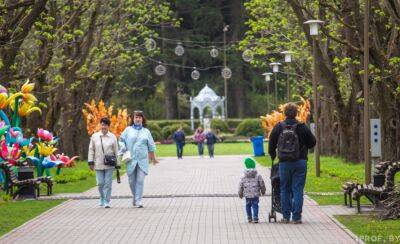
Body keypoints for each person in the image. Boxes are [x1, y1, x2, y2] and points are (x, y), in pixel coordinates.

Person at [268, 103, 316, 224]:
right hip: (300, 161)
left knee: (285, 189)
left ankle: (285, 217)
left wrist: (273, 155)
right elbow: (312, 142)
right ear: (296, 113)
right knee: (298, 189)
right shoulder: (302, 127)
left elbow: (271, 143)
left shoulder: (279, 127)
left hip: (284, 163)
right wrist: (304, 147)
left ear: (284, 113)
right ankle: (296, 217)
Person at [119, 110, 159, 208]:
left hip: (142, 160)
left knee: (140, 180)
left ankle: (138, 200)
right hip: (131, 159)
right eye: (136, 117)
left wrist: (153, 158)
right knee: (132, 181)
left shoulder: (146, 131)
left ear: (142, 119)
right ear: (133, 119)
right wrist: (123, 147)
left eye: (140, 117)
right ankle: (135, 196)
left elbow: (151, 146)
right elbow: (121, 140)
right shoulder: (128, 130)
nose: (138, 119)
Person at [88, 117, 120, 208]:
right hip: (98, 163)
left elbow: (116, 151)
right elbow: (91, 150)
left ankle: (107, 201)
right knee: (100, 183)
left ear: (108, 126)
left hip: (109, 164)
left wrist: (118, 164)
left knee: (108, 183)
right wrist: (90, 162)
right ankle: (102, 197)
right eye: (102, 124)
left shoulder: (113, 137)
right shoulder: (95, 136)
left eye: (105, 125)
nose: (103, 126)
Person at [238, 157, 266, 223]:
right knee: (255, 205)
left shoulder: (243, 176)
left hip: (247, 195)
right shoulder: (258, 175)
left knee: (248, 205)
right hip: (255, 194)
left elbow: (241, 186)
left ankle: (249, 218)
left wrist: (240, 194)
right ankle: (255, 217)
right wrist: (263, 191)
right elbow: (262, 183)